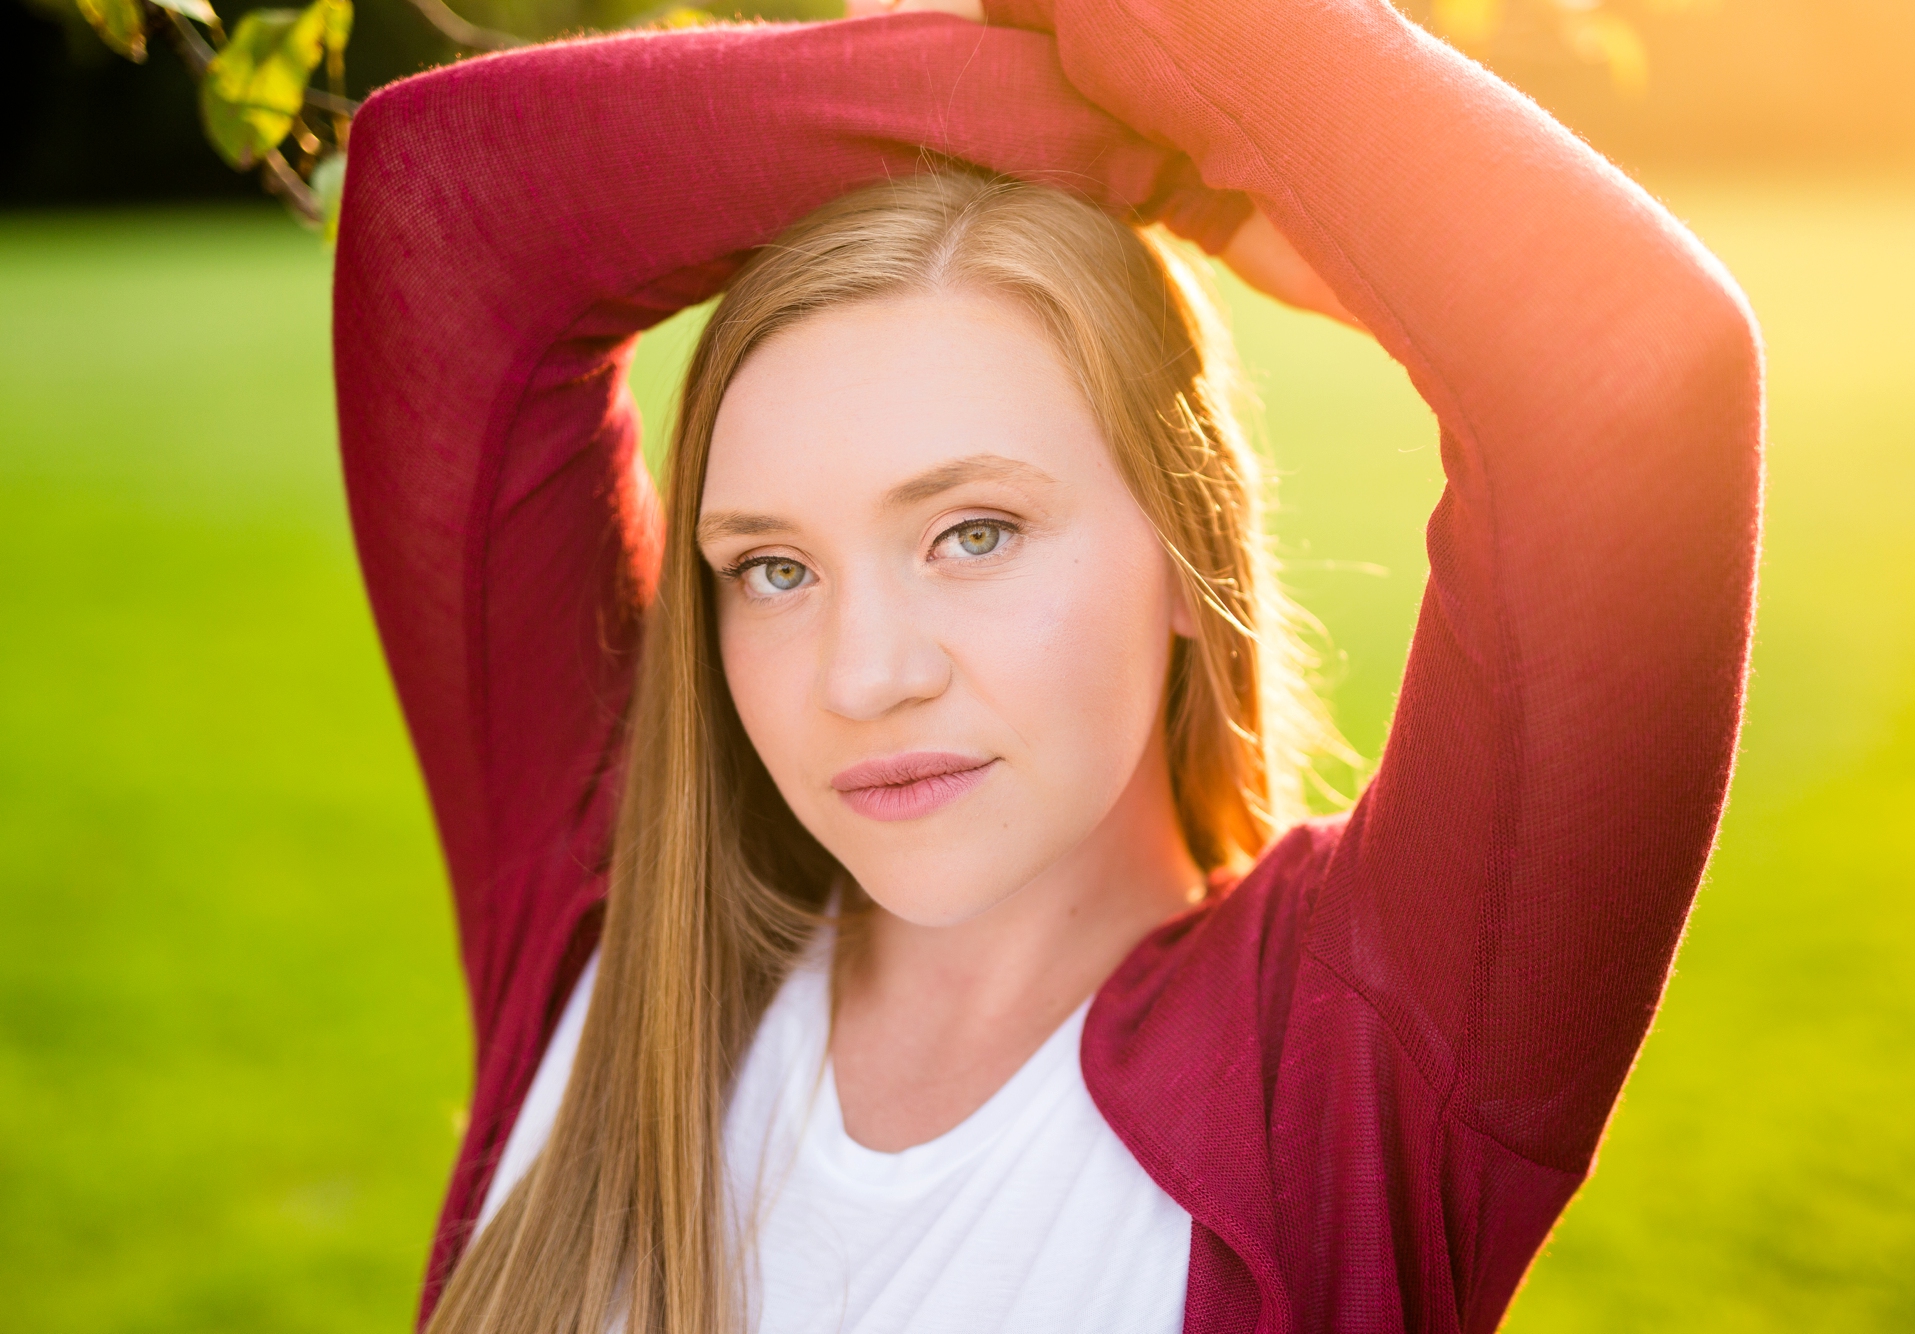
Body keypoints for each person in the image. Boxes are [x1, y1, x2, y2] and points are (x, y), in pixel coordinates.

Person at [331, 0, 1763, 1327]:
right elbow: (445, 206)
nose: (862, 676)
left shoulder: (1339, 1071)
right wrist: (1146, 148)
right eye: (775, 567)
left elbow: (1626, 372)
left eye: (974, 531)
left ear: (1189, 547)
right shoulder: (628, 919)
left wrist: (1201, 129)